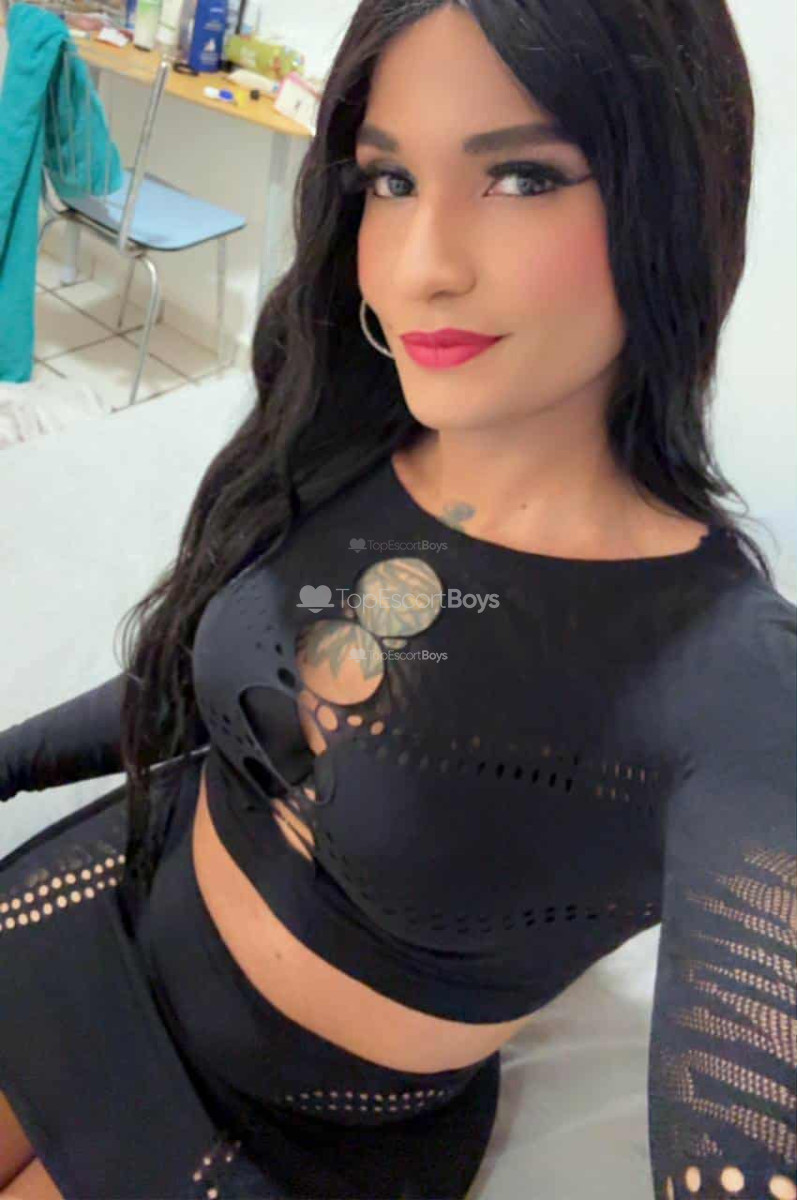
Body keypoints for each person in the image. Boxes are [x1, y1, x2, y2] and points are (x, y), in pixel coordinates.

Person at [1, 2, 795, 1198]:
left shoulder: (727, 677)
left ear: (673, 196)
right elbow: (196, 683)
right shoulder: (351, 443)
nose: (422, 266)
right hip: (91, 915)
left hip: (278, 1138)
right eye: (389, 181)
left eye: (521, 177)